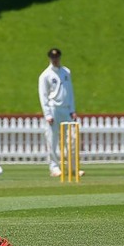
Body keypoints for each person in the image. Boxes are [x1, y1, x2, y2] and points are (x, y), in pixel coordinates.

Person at [38, 47, 81, 177]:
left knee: (72, 139)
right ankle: (54, 167)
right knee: (52, 139)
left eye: (57, 57)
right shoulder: (45, 75)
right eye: (53, 58)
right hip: (53, 109)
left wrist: (72, 109)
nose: (55, 60)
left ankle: (73, 168)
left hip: (66, 109)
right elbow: (43, 95)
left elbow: (70, 92)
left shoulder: (66, 72)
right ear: (50, 59)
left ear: (59, 58)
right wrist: (47, 114)